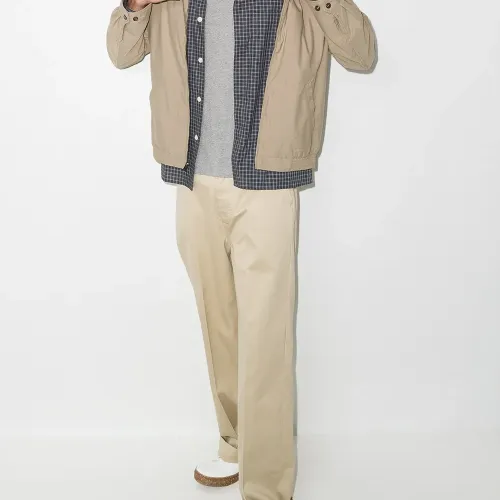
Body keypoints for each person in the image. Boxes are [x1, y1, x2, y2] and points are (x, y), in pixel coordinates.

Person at [106, 0, 376, 498]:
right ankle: (235, 442)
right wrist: (135, 5)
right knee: (219, 324)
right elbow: (121, 53)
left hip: (267, 180)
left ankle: (267, 486)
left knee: (266, 336)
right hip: (192, 176)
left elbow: (361, 53)